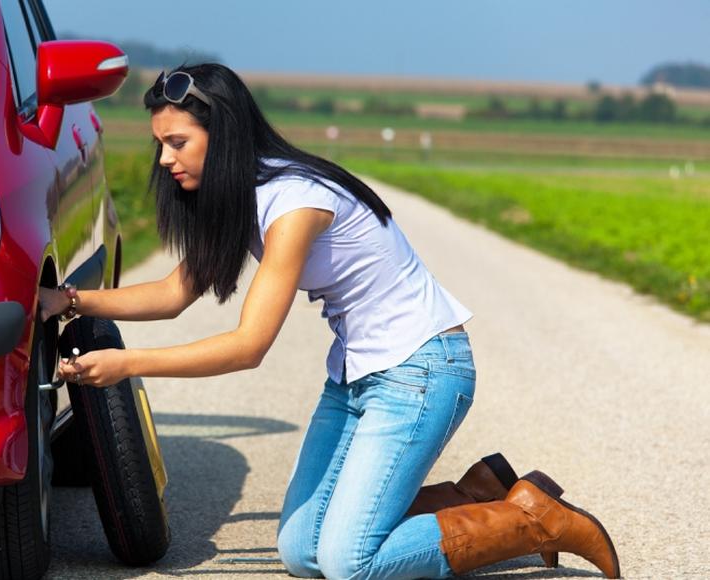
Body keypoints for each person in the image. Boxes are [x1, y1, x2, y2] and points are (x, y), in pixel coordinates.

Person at [38, 63, 620, 579]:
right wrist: (68, 301)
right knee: (300, 550)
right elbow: (172, 293)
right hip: (356, 378)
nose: (165, 160)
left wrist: (128, 364)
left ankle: (531, 520)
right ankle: (475, 495)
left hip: (421, 373)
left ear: (226, 136)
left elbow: (249, 346)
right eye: (160, 144)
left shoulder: (293, 202)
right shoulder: (243, 198)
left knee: (349, 563)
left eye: (178, 142)